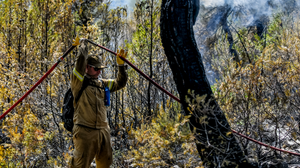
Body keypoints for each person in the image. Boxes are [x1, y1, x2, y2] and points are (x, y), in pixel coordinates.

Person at [69, 39, 128, 168]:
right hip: (85, 131)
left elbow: (120, 83)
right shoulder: (78, 83)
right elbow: (78, 66)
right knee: (80, 165)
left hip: (103, 131)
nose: (99, 72)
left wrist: (121, 66)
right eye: (96, 69)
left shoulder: (102, 84)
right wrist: (83, 46)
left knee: (105, 163)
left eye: (100, 69)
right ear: (86, 67)